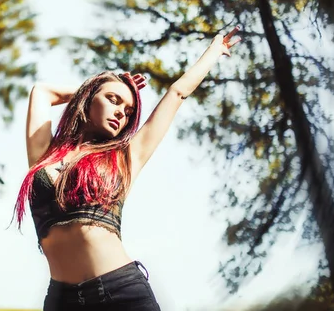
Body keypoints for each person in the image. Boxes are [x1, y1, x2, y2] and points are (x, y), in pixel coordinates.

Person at [13, 27, 242, 310]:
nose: (122, 112)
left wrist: (214, 51)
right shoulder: (43, 155)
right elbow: (42, 91)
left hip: (120, 294)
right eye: (114, 100)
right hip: (63, 302)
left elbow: (177, 93)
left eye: (129, 110)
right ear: (88, 100)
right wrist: (91, 88)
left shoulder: (125, 158)